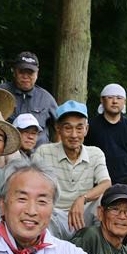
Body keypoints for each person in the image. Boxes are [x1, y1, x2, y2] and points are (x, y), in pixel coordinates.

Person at [33, 100, 110, 238]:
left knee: (104, 200)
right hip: (54, 215)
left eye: (79, 128)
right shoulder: (44, 152)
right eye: (68, 128)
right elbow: (32, 185)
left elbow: (106, 184)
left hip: (83, 215)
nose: (74, 135)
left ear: (86, 129)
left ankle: (101, 248)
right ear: (58, 129)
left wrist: (82, 199)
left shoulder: (95, 153)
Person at [85, 83, 127, 183]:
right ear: (102, 100)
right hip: (95, 183)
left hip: (125, 184)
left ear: (124, 101)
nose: (115, 101)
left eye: (119, 98)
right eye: (110, 97)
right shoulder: (90, 126)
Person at [0, 51, 57, 145]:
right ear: (14, 71)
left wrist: (55, 151)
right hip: (7, 153)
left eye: (30, 72)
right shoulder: (2, 93)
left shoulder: (46, 98)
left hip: (39, 154)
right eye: (21, 72)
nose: (25, 76)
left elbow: (61, 126)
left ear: (37, 73)